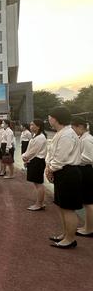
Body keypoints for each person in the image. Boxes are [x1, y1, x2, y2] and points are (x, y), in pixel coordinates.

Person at [45, 106, 82, 249]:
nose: (49, 119)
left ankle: (70, 239)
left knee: (68, 208)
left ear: (56, 118)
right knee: (62, 206)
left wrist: (50, 169)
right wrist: (50, 168)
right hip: (62, 172)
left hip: (67, 172)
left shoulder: (66, 134)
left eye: (50, 116)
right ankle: (66, 234)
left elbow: (60, 158)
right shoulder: (62, 132)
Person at [71, 116, 93, 237]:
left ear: (80, 126)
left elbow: (88, 158)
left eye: (73, 127)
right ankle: (87, 226)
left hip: (86, 170)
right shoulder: (83, 138)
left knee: (89, 202)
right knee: (87, 201)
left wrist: (73, 158)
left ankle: (90, 229)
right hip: (84, 170)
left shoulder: (87, 139)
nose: (73, 131)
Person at [22, 119, 47, 211]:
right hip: (34, 160)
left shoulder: (40, 137)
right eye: (30, 124)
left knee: (38, 184)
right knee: (37, 183)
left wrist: (25, 157)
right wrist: (26, 158)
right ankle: (40, 202)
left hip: (37, 161)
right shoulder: (36, 136)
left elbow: (33, 152)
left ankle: (39, 204)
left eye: (33, 125)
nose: (31, 126)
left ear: (38, 126)